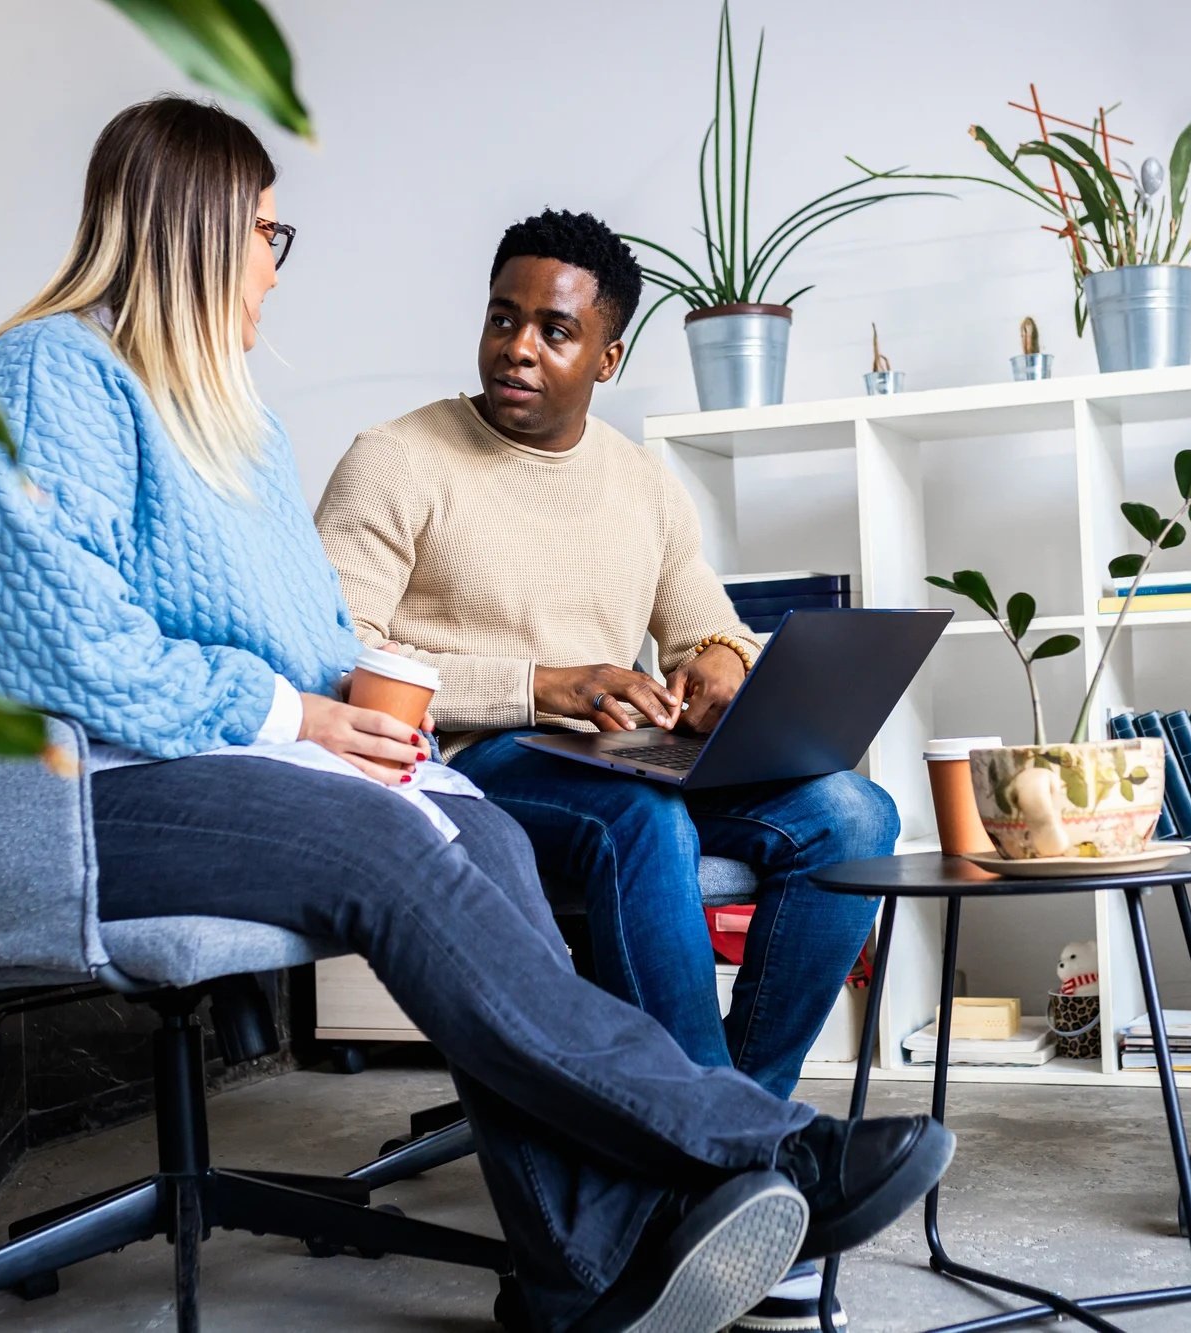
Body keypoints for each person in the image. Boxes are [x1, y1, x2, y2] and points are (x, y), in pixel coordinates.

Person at [0, 96, 949, 1333]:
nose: (272, 270)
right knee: (400, 840)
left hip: (190, 766)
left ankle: (580, 1272)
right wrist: (304, 713)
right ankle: (752, 1149)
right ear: (199, 231)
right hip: (64, 796)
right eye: (267, 236)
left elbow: (313, 641)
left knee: (473, 831)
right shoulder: (43, 375)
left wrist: (360, 715)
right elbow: (67, 641)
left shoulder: (225, 422)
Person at [316, 208, 900, 1330]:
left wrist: (722, 668)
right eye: (502, 319)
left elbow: (708, 624)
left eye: (553, 330)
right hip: (467, 761)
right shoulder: (396, 458)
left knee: (852, 813)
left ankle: (734, 1164)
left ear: (607, 355)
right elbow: (337, 657)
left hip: (616, 756)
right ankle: (724, 1170)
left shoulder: (638, 482)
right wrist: (544, 684)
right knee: (644, 827)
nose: (516, 348)